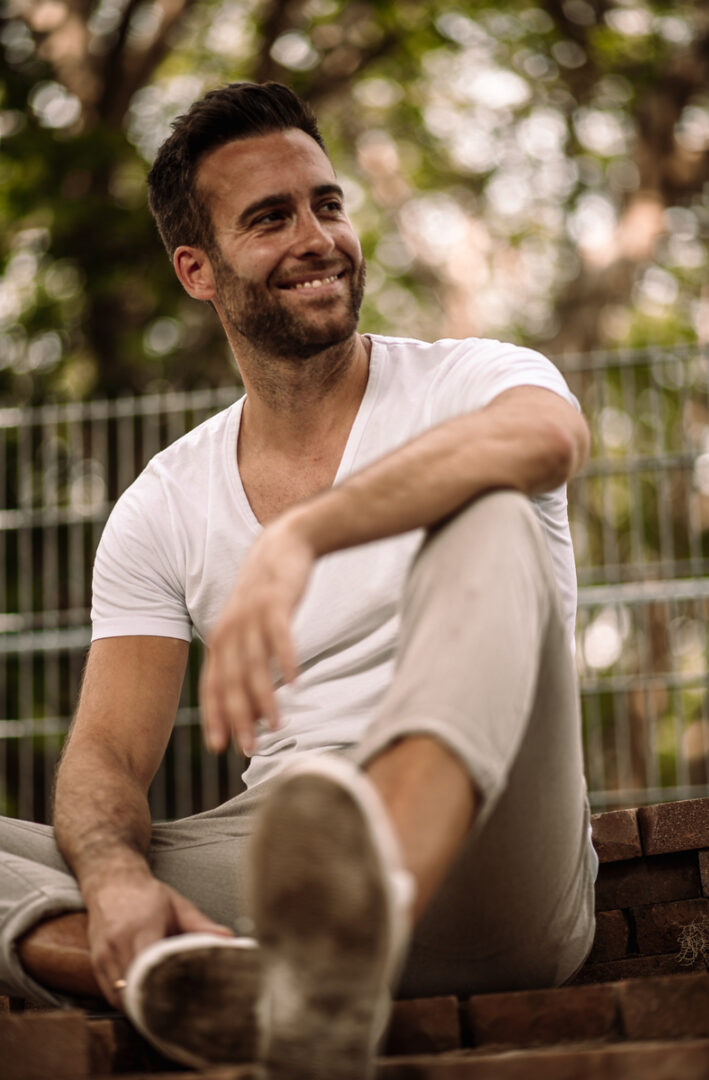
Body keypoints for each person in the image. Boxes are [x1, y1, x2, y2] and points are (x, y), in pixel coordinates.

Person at [0, 82, 596, 1079]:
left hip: (492, 858)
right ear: (197, 268)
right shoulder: (164, 503)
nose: (318, 238)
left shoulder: (469, 380)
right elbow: (106, 752)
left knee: (492, 509)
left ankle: (356, 919)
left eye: (327, 204)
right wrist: (111, 878)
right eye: (271, 218)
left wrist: (305, 536)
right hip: (283, 856)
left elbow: (551, 439)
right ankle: (202, 979)